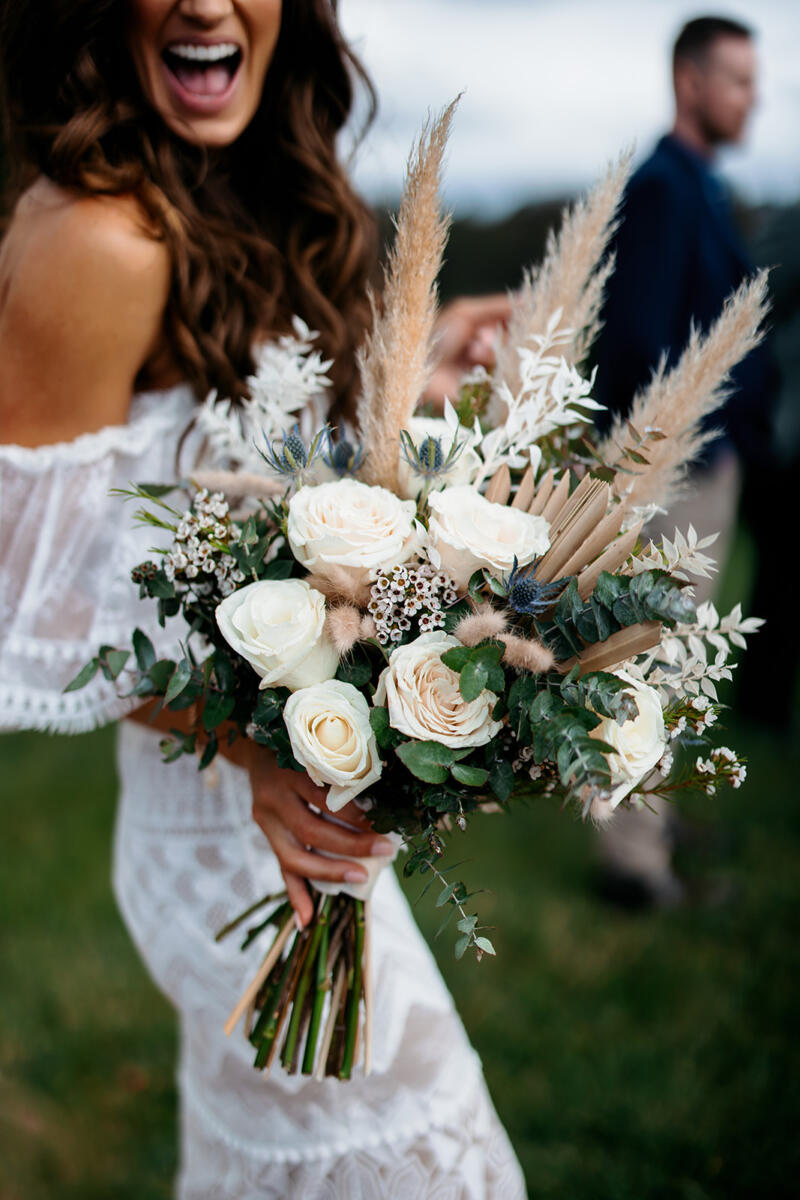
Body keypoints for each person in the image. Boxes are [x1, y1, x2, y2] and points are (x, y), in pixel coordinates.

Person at [0, 2, 525, 1196]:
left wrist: (413, 373)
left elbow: (238, 459)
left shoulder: (229, 192)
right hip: (227, 825)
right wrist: (250, 749)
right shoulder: (96, 237)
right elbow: (27, 617)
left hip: (290, 812)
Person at [592, 14, 777, 908]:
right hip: (679, 471)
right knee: (648, 662)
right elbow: (637, 342)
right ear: (690, 81)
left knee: (678, 659)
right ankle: (634, 863)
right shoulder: (666, 186)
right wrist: (684, 449)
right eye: (738, 79)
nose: (755, 97)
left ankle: (654, 820)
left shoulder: (698, 184)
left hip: (708, 464)